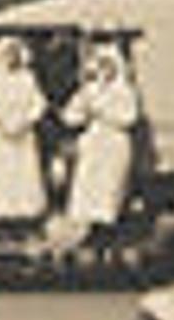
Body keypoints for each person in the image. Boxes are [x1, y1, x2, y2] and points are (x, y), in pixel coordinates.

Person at [58, 39, 143, 249]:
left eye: (109, 66)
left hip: (114, 142)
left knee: (110, 187)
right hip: (94, 142)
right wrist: (81, 110)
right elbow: (70, 117)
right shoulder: (90, 90)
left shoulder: (124, 91)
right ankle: (92, 228)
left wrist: (103, 111)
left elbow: (129, 117)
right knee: (89, 186)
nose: (105, 71)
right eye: (101, 65)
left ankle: (109, 229)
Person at [0, 37, 51, 234]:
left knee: (21, 177)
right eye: (6, 55)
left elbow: (38, 104)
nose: (10, 59)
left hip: (22, 135)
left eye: (14, 55)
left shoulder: (27, 79)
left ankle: (23, 222)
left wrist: (26, 120)